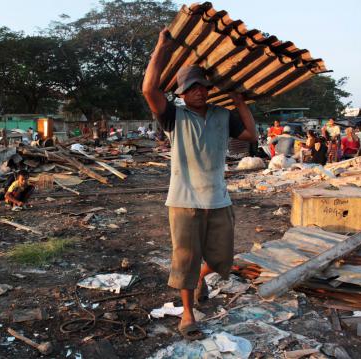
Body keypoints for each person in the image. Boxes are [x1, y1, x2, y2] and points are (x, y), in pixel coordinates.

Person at [142, 28, 257, 340]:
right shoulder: (173, 118)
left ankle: (200, 278)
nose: (198, 91)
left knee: (222, 259)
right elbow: (149, 90)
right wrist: (161, 48)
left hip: (219, 200)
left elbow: (250, 137)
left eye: (202, 86)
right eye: (191, 87)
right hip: (183, 202)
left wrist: (239, 102)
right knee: (185, 260)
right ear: (181, 93)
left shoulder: (223, 115)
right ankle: (188, 313)